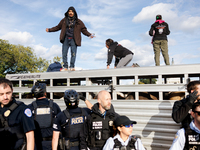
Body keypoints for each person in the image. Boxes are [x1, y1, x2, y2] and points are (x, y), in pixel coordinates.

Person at [46, 6, 95, 71]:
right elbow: (57, 27)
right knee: (64, 53)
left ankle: (72, 66)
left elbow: (84, 30)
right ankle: (65, 67)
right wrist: (50, 30)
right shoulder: (64, 20)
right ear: (68, 12)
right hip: (66, 38)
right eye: (69, 11)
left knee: (73, 53)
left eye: (72, 12)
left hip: (74, 39)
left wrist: (89, 34)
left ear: (74, 13)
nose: (70, 13)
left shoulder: (78, 21)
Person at [0, 78, 35, 150]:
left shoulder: (22, 109)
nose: (5, 97)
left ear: (12, 91)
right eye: (1, 94)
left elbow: (30, 136)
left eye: (8, 93)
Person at [28, 82, 61, 150]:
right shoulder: (54, 106)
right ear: (45, 93)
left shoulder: (30, 107)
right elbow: (61, 122)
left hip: (36, 143)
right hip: (52, 142)